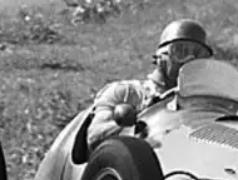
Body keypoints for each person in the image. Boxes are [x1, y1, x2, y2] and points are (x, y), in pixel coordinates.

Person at [86, 19, 214, 150]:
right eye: (181, 51)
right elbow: (94, 138)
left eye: (199, 56)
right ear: (161, 56)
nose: (190, 60)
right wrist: (141, 119)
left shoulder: (203, 106)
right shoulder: (126, 93)